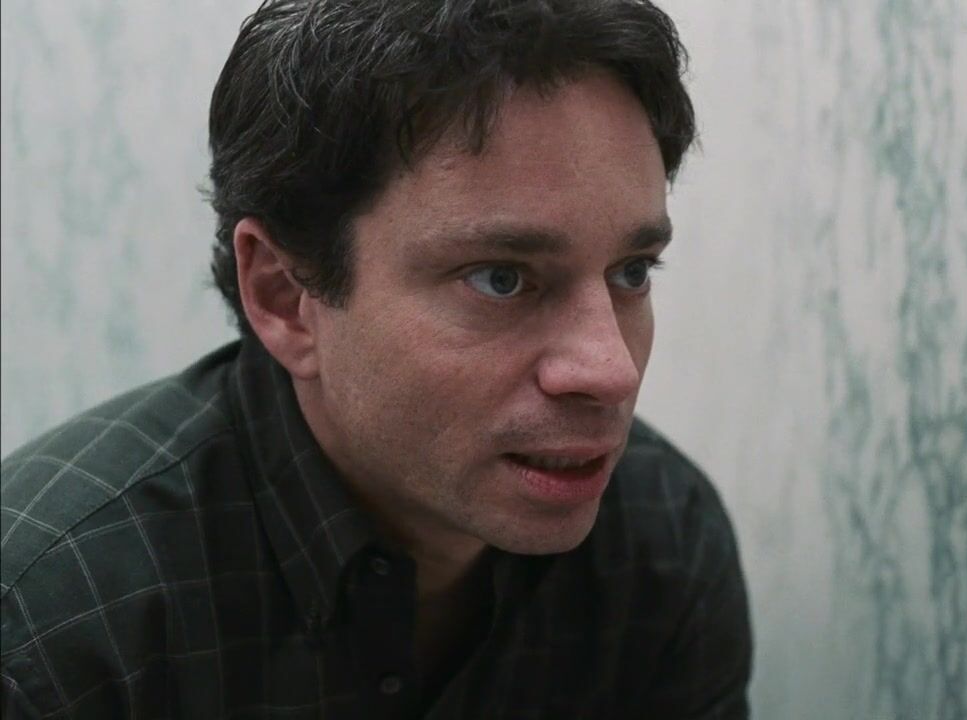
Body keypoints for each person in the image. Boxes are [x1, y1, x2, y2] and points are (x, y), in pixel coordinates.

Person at [0, 0, 753, 716]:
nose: (612, 370)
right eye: (501, 279)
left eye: (632, 272)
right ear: (285, 296)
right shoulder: (52, 621)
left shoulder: (664, 541)